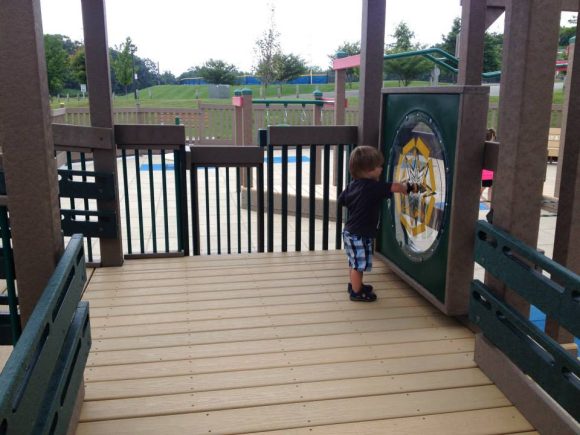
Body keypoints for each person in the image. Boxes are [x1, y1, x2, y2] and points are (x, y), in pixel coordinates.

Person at [338, 145, 417, 302]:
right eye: (378, 167)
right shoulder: (372, 187)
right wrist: (410, 187)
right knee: (358, 265)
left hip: (351, 231)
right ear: (369, 171)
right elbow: (395, 187)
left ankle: (355, 285)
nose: (381, 169)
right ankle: (356, 292)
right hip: (358, 234)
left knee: (354, 262)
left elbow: (342, 199)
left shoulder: (353, 185)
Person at [481, 128, 497, 202]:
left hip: (488, 167)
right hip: (489, 167)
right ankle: (487, 198)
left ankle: (489, 199)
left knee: (489, 185)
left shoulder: (487, 144)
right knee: (487, 185)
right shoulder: (491, 145)